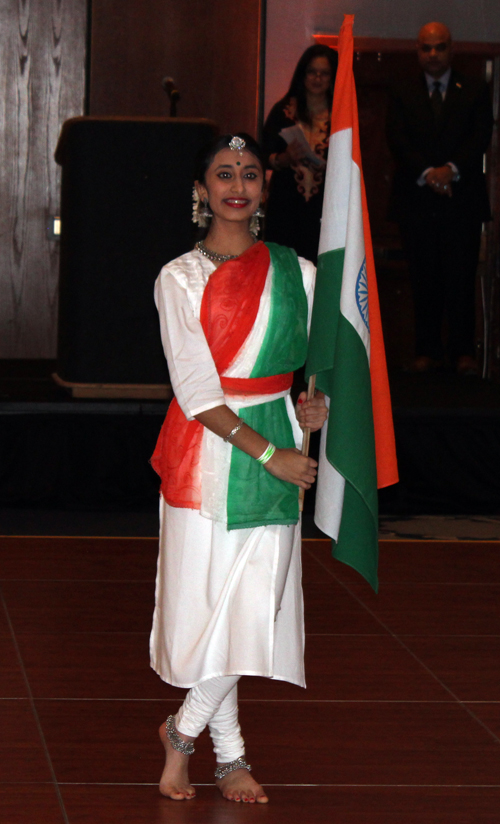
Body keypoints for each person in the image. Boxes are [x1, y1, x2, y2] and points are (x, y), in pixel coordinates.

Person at [150, 133, 328, 803]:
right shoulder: (180, 277)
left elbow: (318, 367)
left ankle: (183, 735)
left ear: (265, 188)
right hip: (210, 452)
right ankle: (226, 757)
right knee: (212, 612)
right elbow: (197, 392)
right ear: (202, 188)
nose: (237, 183)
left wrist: (314, 413)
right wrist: (269, 453)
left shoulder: (300, 273)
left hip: (282, 442)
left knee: (253, 607)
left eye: (250, 173)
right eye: (223, 173)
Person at [386, 21, 493, 374]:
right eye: (426, 48)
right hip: (417, 201)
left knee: (461, 278)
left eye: (440, 47)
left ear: (452, 48)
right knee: (423, 279)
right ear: (418, 50)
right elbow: (397, 138)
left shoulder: (475, 87)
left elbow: (480, 136)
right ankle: (426, 351)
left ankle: (463, 352)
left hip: (461, 201)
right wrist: (429, 174)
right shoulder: (402, 89)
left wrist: (450, 169)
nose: (433, 54)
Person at [262, 44, 338, 263]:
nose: (317, 78)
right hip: (286, 206)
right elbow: (262, 154)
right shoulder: (284, 110)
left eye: (324, 73)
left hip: (324, 209)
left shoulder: (340, 114)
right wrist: (283, 159)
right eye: (312, 72)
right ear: (302, 75)